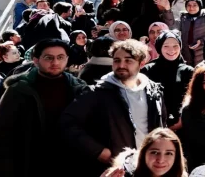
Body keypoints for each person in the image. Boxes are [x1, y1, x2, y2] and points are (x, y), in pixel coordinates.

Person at [62, 39, 166, 176]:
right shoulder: (97, 92)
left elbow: (162, 126)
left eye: (128, 60)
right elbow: (67, 123)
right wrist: (98, 151)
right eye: (117, 60)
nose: (121, 65)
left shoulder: (154, 91)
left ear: (141, 63)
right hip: (115, 169)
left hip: (149, 166)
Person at [0, 39, 87, 177]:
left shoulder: (79, 88)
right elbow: (0, 136)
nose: (55, 62)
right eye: (49, 58)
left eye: (60, 57)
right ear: (36, 60)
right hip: (30, 164)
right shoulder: (18, 90)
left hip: (70, 163)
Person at [142, 31, 194, 130]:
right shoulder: (147, 70)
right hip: (153, 124)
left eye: (175, 46)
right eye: (166, 46)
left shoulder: (188, 71)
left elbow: (193, 98)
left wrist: (182, 120)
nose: (172, 50)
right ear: (159, 47)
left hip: (183, 124)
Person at [100, 128, 188, 177]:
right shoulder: (123, 174)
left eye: (168, 153)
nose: (160, 160)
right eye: (154, 152)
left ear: (176, 157)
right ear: (143, 153)